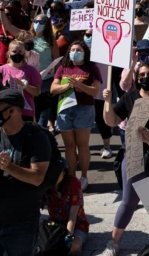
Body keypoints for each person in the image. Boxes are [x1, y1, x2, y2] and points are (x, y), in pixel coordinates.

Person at [101, 62, 149, 256]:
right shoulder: (130, 97)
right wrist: (107, 102)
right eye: (141, 74)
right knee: (129, 200)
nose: (145, 77)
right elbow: (111, 121)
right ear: (136, 78)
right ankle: (113, 242)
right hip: (134, 153)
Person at [0, 90, 51, 256]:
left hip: (23, 223)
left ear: (11, 111)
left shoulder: (36, 137)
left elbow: (37, 177)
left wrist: (9, 167)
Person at [50, 41, 103, 191]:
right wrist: (66, 86)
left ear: (85, 52)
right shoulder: (62, 68)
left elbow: (95, 91)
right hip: (65, 110)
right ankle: (72, 177)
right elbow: (53, 89)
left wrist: (80, 86)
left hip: (84, 109)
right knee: (69, 146)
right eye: (72, 50)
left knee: (82, 145)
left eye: (78, 50)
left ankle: (84, 176)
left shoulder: (92, 69)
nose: (75, 52)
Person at [46, 164, 89, 255]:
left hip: (77, 226)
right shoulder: (46, 184)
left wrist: (68, 237)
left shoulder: (74, 183)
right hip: (54, 225)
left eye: (58, 173)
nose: (54, 176)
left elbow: (72, 216)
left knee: (72, 247)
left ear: (64, 173)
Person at [0, 40, 41, 121]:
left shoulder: (31, 70)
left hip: (25, 111)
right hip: (6, 111)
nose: (17, 54)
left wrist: (24, 85)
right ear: (9, 53)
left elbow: (37, 92)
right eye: (14, 51)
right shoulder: (0, 70)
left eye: (20, 51)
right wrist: (6, 85)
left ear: (24, 53)